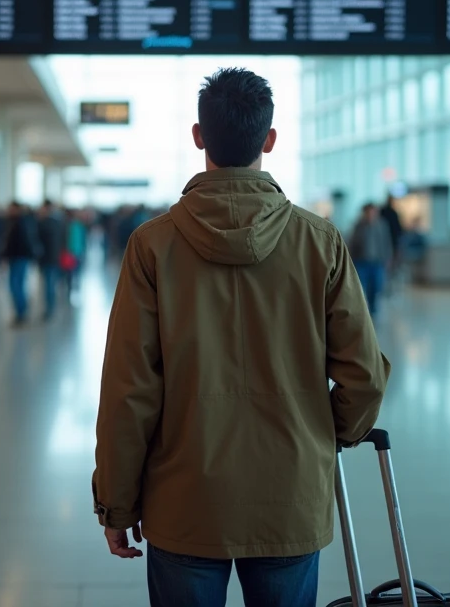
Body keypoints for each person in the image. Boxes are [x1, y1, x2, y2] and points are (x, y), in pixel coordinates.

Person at [93, 68, 389, 607]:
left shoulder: (152, 246)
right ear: (269, 140)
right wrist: (326, 434)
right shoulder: (318, 241)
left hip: (183, 497)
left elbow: (128, 388)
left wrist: (116, 503)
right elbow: (363, 375)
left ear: (199, 136)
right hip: (289, 494)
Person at [349, 203, 393, 317]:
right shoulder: (358, 226)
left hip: (377, 262)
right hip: (361, 261)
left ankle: (373, 309)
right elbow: (352, 244)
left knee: (376, 286)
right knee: (360, 287)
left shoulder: (382, 226)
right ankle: (361, 309)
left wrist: (388, 259)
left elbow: (387, 243)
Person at [2, 202, 41, 325]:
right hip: (16, 258)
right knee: (16, 285)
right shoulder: (14, 222)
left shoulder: (21, 223)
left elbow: (23, 242)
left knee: (16, 286)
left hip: (20, 257)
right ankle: (21, 311)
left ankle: (21, 312)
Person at [37, 200, 64, 319]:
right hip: (54, 257)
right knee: (51, 283)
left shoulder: (45, 223)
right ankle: (51, 307)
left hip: (48, 258)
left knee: (49, 284)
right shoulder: (59, 222)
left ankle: (50, 308)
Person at [62, 209, 88, 296]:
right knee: (72, 271)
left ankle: (73, 286)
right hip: (73, 252)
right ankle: (72, 286)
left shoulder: (76, 226)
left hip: (75, 252)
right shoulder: (73, 226)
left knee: (73, 271)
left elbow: (83, 239)